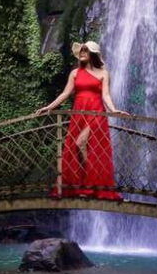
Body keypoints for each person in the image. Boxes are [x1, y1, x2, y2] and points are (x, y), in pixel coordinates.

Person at [35, 41, 129, 200]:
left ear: (93, 53)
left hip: (96, 114)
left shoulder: (103, 73)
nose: (82, 53)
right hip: (79, 114)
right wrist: (48, 107)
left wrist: (113, 110)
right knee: (77, 147)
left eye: (86, 50)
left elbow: (105, 95)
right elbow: (65, 94)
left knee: (80, 143)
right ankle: (89, 183)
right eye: (81, 51)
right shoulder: (75, 73)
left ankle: (93, 183)